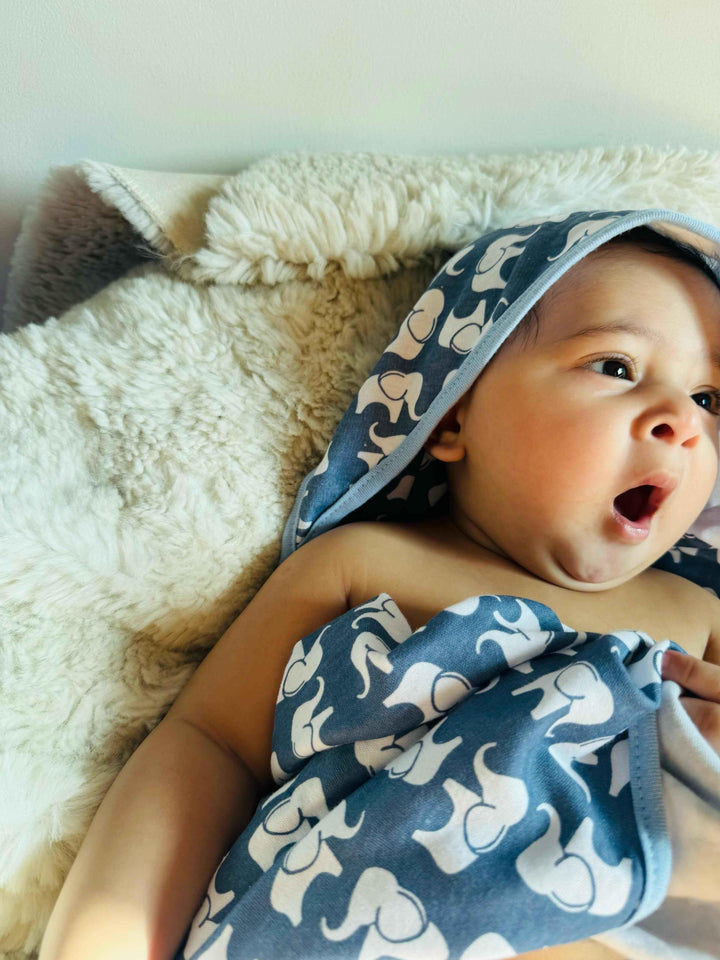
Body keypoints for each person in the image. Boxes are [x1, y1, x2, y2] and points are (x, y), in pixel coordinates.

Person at [39, 211, 720, 960]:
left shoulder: (698, 617)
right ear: (452, 410)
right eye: (616, 366)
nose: (681, 422)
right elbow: (207, 750)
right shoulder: (366, 566)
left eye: (710, 399)